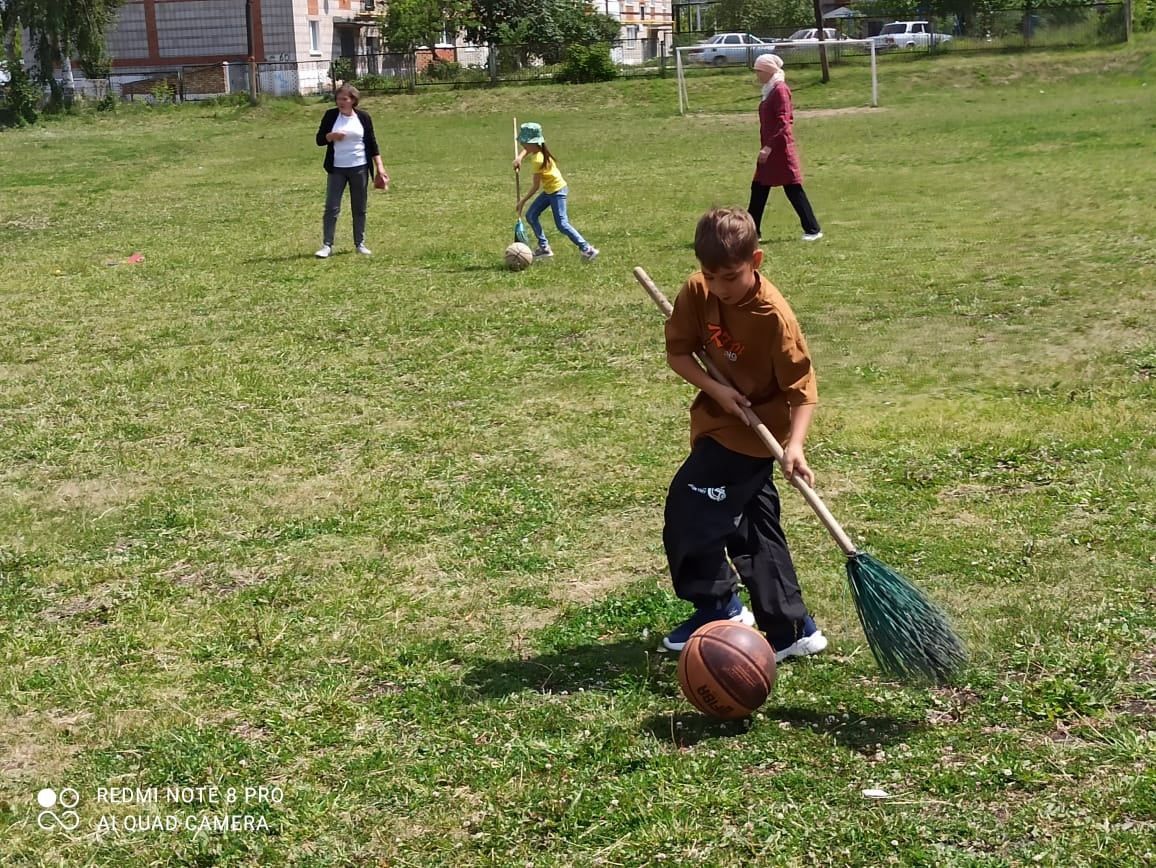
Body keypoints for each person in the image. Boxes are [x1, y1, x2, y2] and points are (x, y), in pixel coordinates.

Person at [659, 207, 828, 663]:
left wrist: (794, 447)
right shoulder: (698, 291)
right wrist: (716, 388)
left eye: (730, 276)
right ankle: (790, 626)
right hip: (720, 420)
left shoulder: (774, 316)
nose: (718, 287)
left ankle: (719, 607)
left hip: (756, 433)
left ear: (756, 260)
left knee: (690, 508)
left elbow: (803, 390)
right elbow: (679, 353)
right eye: (710, 275)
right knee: (752, 525)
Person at [748, 54, 823, 242]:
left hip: (779, 149)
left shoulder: (780, 90)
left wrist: (769, 147)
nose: (757, 75)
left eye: (758, 71)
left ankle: (813, 229)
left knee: (792, 188)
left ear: (767, 71)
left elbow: (784, 122)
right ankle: (751, 232)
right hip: (770, 149)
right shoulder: (770, 89)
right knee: (758, 188)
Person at [314, 84, 389, 258]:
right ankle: (327, 245)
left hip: (359, 167)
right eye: (339, 98)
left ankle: (360, 243)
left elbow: (372, 143)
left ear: (353, 100)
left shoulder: (363, 117)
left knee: (359, 207)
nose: (341, 102)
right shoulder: (331, 116)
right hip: (337, 169)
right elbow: (319, 140)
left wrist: (380, 167)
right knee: (332, 207)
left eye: (345, 99)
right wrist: (331, 136)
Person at [513, 122, 599, 262]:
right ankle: (544, 248)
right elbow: (528, 149)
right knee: (531, 215)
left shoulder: (538, 160)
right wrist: (519, 158)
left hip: (557, 191)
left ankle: (587, 249)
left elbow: (535, 187)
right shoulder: (539, 150)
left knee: (562, 224)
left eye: (524, 143)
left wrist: (522, 201)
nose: (523, 146)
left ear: (533, 144)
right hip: (549, 190)